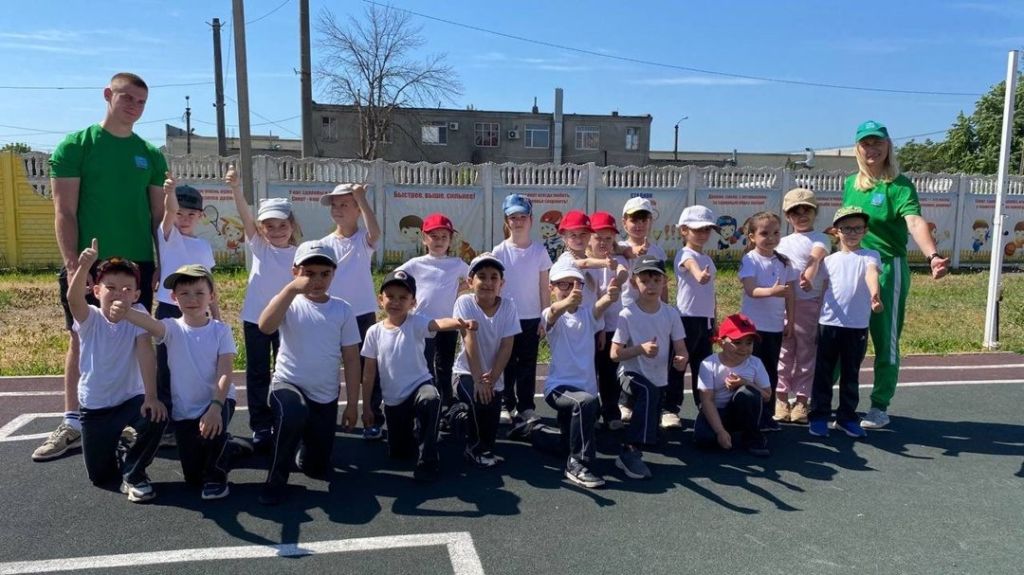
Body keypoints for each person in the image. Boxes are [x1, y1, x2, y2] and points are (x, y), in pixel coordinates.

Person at [39, 72, 167, 462]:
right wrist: (73, 267)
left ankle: (136, 417)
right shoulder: (76, 146)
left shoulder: (151, 154)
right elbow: (64, 212)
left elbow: (158, 217)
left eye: (142, 102)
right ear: (108, 94)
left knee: (137, 338)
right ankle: (73, 422)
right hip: (89, 265)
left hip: (137, 265)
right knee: (81, 339)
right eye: (128, 98)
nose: (135, 107)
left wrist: (160, 263)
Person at [842, 120, 949, 429]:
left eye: (877, 142)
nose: (872, 148)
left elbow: (914, 222)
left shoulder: (900, 185)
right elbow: (845, 226)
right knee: (840, 334)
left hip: (888, 268)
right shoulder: (851, 184)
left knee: (884, 338)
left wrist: (932, 256)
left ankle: (879, 406)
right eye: (866, 143)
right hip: (853, 267)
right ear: (858, 148)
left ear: (888, 145)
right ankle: (824, 400)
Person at [111, 265, 237, 500]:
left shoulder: (221, 330)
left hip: (218, 400)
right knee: (192, 477)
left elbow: (225, 372)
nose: (192, 299)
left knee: (213, 438)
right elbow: (150, 323)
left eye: (199, 293)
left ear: (212, 296)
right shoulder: (171, 328)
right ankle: (231, 448)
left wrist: (215, 407)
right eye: (184, 293)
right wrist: (126, 311)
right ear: (174, 298)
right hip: (184, 408)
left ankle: (217, 476)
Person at [256, 241, 363, 505]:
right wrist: (291, 289)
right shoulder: (288, 301)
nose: (316, 280)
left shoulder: (342, 309)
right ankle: (275, 480)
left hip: (324, 395)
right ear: (295, 272)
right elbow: (265, 326)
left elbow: (351, 359)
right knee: (293, 412)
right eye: (309, 273)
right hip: (288, 384)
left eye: (324, 274)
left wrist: (352, 405)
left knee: (316, 468)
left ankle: (305, 450)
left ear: (333, 274)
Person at [66, 240, 167, 501]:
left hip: (130, 400)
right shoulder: (90, 317)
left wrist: (151, 396)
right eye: (110, 288)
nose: (119, 293)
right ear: (96, 291)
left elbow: (146, 352)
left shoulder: (138, 313)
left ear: (136, 295)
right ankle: (120, 444)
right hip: (95, 407)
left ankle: (134, 473)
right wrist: (84, 266)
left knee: (157, 414)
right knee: (101, 477)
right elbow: (73, 299)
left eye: (127, 289)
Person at [360, 270, 475, 483]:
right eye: (390, 296)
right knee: (400, 453)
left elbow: (438, 323)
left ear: (413, 302)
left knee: (431, 398)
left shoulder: (416, 322)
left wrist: (461, 323)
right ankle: (417, 431)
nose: (396, 302)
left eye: (403, 297)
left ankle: (428, 459)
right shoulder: (374, 332)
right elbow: (368, 373)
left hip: (419, 386)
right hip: (394, 400)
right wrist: (367, 406)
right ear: (380, 299)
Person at [227, 166, 300, 451]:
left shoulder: (300, 255)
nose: (276, 231)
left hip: (288, 321)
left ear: (292, 225)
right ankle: (260, 424)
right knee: (257, 372)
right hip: (255, 319)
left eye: (282, 225)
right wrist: (236, 188)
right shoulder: (259, 246)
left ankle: (286, 417)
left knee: (286, 372)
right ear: (261, 229)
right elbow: (245, 215)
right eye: (269, 226)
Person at [539, 258, 618, 488]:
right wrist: (567, 301)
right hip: (559, 389)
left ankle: (538, 434)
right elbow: (554, 311)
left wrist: (612, 294)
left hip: (585, 392)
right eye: (563, 284)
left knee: (567, 438)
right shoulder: (550, 314)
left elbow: (600, 306)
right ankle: (577, 464)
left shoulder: (587, 315)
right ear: (551, 287)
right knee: (585, 403)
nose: (570, 289)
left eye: (575, 284)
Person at [610, 255, 688, 479]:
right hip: (629, 374)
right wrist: (640, 349)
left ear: (665, 282)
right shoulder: (627, 314)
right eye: (644, 281)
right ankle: (629, 451)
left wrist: (681, 359)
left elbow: (682, 349)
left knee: (654, 434)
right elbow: (614, 354)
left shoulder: (671, 313)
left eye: (656, 280)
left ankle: (642, 433)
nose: (651, 286)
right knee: (647, 392)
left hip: (658, 378)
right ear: (634, 283)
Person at [153, 174, 217, 447]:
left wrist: (217, 315)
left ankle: (198, 415)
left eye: (191, 214)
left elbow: (210, 284)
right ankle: (165, 424)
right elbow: (168, 213)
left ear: (201, 216)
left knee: (195, 364)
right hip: (170, 309)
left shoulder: (204, 246)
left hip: (200, 312)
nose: (184, 218)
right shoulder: (167, 236)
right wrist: (169, 193)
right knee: (166, 366)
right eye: (180, 213)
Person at [808, 207, 883, 439]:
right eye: (846, 228)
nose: (852, 233)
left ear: (865, 231)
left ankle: (847, 418)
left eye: (857, 228)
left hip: (857, 326)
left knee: (851, 374)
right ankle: (819, 416)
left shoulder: (870, 255)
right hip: (828, 323)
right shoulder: (829, 261)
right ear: (836, 231)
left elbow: (871, 274)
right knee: (823, 373)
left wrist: (875, 294)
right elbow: (822, 289)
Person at [319, 182, 384, 439]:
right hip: (331, 315)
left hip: (362, 314)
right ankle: (326, 417)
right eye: (334, 205)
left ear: (358, 210)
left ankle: (371, 416)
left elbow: (375, 232)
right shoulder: (323, 244)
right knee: (328, 368)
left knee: (368, 369)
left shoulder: (362, 240)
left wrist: (362, 198)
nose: (337, 209)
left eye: (344, 204)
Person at [451, 253, 521, 468]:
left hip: (493, 376)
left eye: (494, 277)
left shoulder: (509, 306)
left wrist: (492, 378)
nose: (488, 282)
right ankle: (472, 447)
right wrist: (479, 380)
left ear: (502, 283)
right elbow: (469, 340)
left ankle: (480, 442)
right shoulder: (464, 302)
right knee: (478, 399)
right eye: (481, 276)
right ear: (470, 281)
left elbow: (506, 345)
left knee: (490, 416)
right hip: (466, 372)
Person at [395, 213, 470, 414]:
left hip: (448, 323)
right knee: (424, 366)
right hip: (422, 324)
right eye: (434, 236)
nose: (439, 241)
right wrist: (408, 299)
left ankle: (446, 403)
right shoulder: (415, 264)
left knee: (445, 365)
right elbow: (395, 280)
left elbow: (474, 278)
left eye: (444, 237)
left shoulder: (456, 264)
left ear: (450, 240)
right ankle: (425, 403)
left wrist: (460, 288)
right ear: (424, 238)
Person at [491, 194, 551, 428]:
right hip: (506, 318)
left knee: (527, 363)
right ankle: (505, 404)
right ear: (506, 221)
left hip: (531, 318)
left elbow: (544, 287)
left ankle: (526, 407)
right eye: (513, 217)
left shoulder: (539, 251)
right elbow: (494, 286)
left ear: (531, 220)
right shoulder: (499, 251)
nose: (518, 222)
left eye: (522, 217)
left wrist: (544, 317)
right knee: (504, 362)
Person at [775, 189, 830, 425]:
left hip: (810, 304)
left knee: (807, 354)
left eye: (807, 210)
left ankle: (801, 401)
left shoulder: (821, 238)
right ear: (788, 217)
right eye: (795, 212)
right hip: (783, 304)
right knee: (784, 353)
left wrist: (809, 273)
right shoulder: (781, 243)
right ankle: (780, 399)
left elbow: (816, 256)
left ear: (815, 212)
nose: (801, 215)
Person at [739, 211, 797, 433]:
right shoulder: (750, 259)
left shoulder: (784, 262)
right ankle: (750, 414)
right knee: (751, 371)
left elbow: (790, 295)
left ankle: (767, 415)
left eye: (776, 232)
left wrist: (790, 321)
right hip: (752, 329)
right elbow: (751, 290)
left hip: (774, 327)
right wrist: (773, 291)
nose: (771, 238)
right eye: (764, 233)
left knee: (770, 371)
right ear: (752, 236)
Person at [693, 313, 771, 457]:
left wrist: (745, 382)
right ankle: (725, 431)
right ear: (721, 342)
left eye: (749, 343)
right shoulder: (708, 364)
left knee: (747, 393)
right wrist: (720, 431)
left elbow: (767, 396)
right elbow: (707, 400)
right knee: (704, 439)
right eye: (737, 342)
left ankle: (753, 437)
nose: (744, 348)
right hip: (716, 411)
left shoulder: (755, 363)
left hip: (738, 413)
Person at [669, 205, 719, 426]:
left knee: (703, 366)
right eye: (697, 229)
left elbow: (711, 292)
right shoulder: (685, 254)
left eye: (707, 229)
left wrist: (714, 318)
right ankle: (670, 408)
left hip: (705, 320)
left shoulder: (707, 258)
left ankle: (704, 406)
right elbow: (693, 269)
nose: (703, 234)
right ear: (684, 231)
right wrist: (700, 275)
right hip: (686, 319)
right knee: (679, 364)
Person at [587, 212, 629, 430]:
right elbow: (593, 297)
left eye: (608, 238)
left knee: (609, 372)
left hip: (614, 328)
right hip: (592, 327)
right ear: (589, 238)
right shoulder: (587, 263)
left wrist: (618, 281)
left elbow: (622, 271)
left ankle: (611, 412)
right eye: (598, 238)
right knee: (589, 372)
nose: (603, 242)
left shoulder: (619, 259)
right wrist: (600, 327)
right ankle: (591, 413)